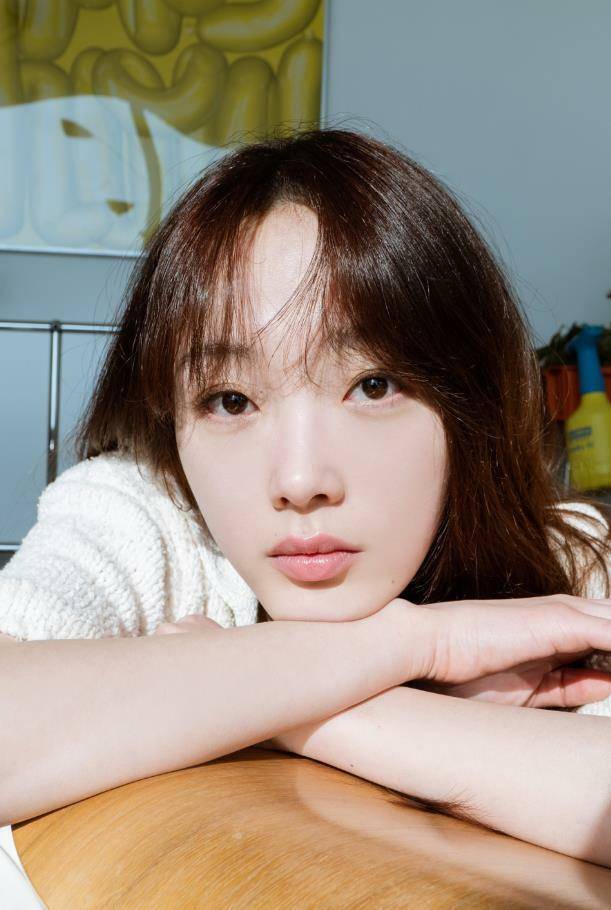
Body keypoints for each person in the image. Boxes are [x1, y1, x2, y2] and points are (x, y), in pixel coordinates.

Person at [0, 129, 610, 867]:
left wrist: (285, 705)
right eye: (230, 401)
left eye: (372, 386)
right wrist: (414, 646)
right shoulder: (144, 517)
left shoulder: (569, 564)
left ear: (466, 405)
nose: (298, 481)